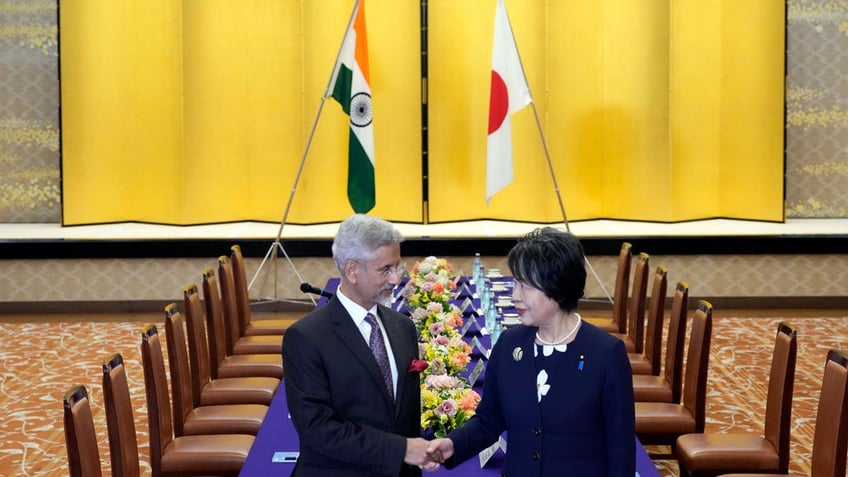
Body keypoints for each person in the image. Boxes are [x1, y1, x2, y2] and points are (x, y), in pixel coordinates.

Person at [426, 227, 636, 476]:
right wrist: (452, 444)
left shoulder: (605, 354)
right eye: (515, 283)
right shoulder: (509, 345)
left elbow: (620, 448)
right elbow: (489, 420)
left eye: (525, 286)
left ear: (557, 286)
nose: (515, 296)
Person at [283, 214, 431, 476]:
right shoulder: (306, 337)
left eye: (398, 267)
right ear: (352, 270)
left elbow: (405, 419)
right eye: (385, 270)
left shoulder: (403, 327)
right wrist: (399, 450)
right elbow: (318, 429)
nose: (397, 279)